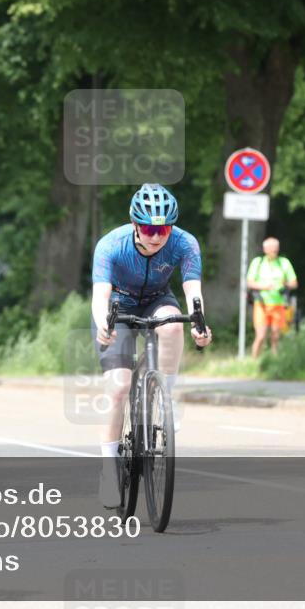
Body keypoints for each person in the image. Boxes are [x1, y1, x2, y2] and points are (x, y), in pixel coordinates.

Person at [91, 183, 212, 508]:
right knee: (119, 388)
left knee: (173, 324)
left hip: (158, 299)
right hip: (118, 305)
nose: (156, 236)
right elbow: (100, 295)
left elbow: (192, 288)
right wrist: (104, 323)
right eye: (148, 228)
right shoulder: (111, 245)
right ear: (135, 225)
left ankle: (163, 392)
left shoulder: (184, 243)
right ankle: (108, 468)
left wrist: (200, 323)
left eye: (163, 229)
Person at [246, 237, 298, 357]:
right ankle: (254, 362)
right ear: (265, 249)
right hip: (261, 304)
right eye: (271, 248)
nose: (274, 250)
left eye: (276, 248)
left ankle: (275, 362)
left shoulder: (284, 262)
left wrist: (284, 284)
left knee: (275, 336)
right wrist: (264, 286)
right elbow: (249, 282)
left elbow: (294, 283)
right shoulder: (258, 262)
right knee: (261, 335)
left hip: (279, 303)